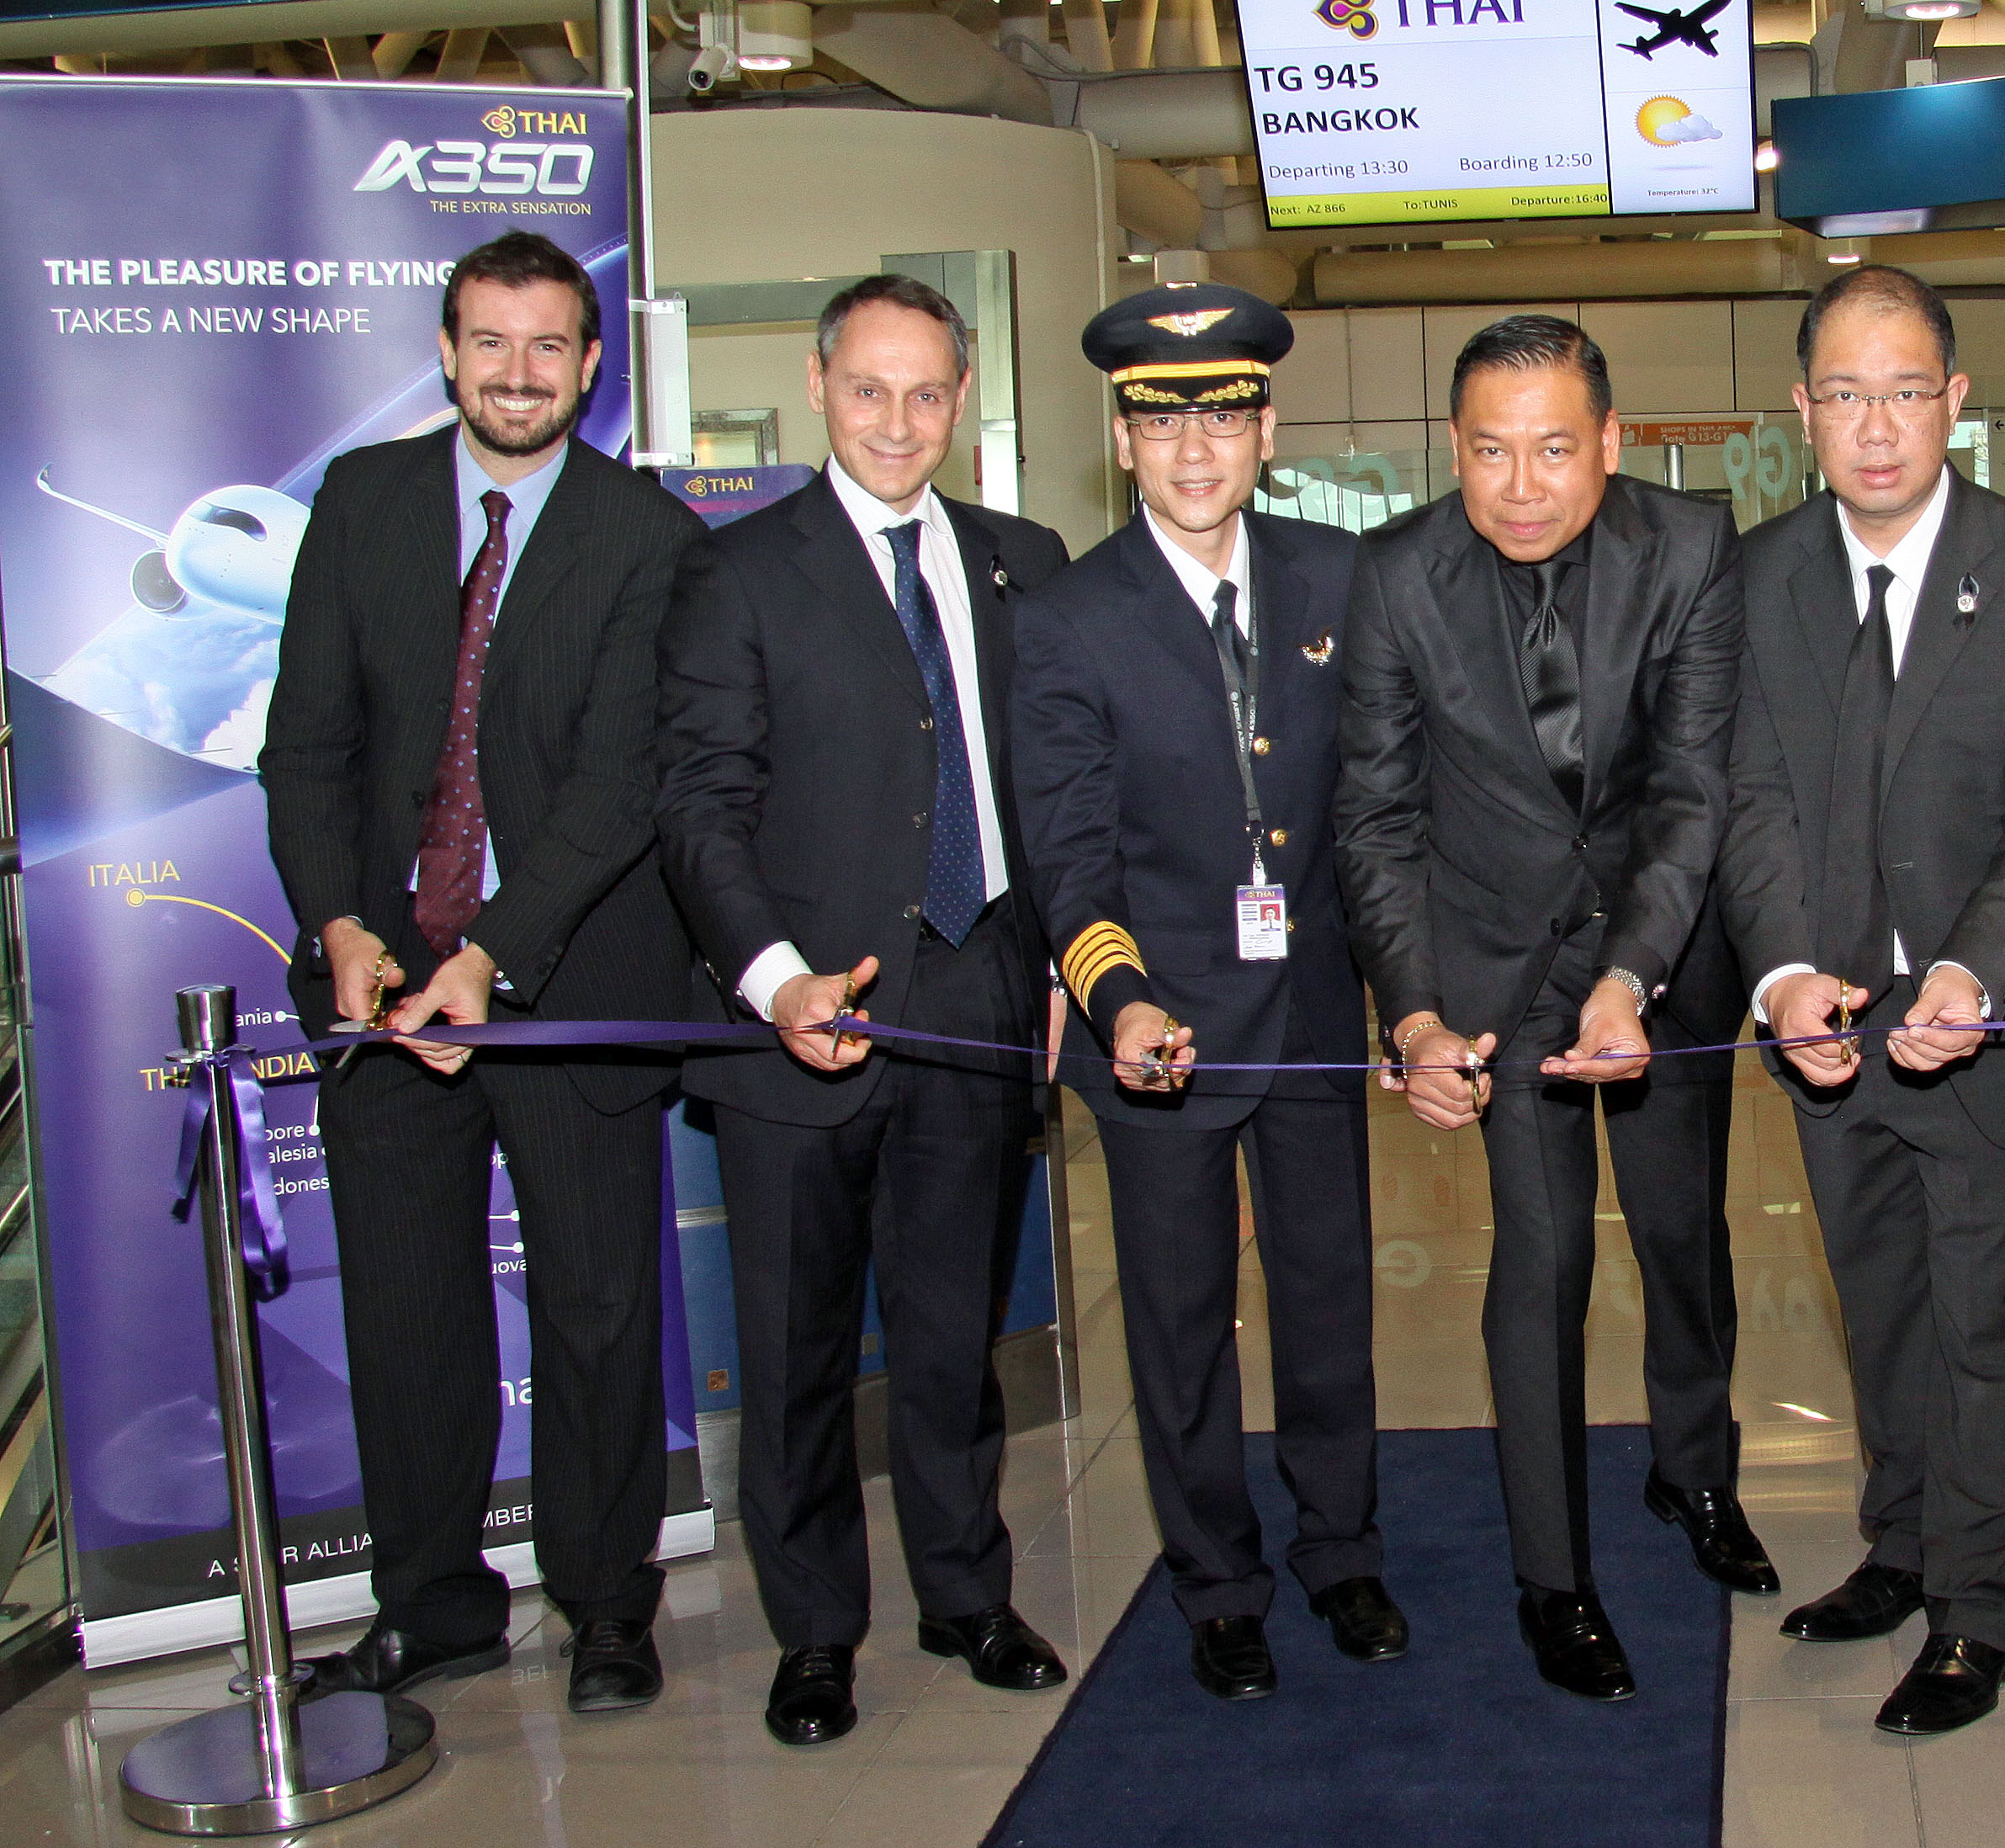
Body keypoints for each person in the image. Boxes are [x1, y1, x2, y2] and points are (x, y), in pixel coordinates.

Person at [260, 230, 704, 1714]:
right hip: (378, 990)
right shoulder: (363, 500)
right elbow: (308, 744)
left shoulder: (649, 537)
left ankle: (607, 1602)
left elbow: (620, 787)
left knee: (595, 1308)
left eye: (549, 345)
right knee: (405, 1312)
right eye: (491, 342)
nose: (519, 373)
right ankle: (434, 1605)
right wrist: (341, 924)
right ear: (447, 352)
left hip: (569, 976)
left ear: (591, 362)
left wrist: (491, 956)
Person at [654, 275, 1074, 1745]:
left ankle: (967, 1593)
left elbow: (1056, 792)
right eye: (869, 389)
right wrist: (775, 980)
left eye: (927, 392)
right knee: (798, 1353)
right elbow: (699, 805)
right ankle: (816, 1632)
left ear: (960, 399)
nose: (898, 420)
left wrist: (1065, 968)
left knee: (954, 1331)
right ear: (819, 388)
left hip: (974, 998)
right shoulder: (735, 573)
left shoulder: (1024, 563)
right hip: (799, 1020)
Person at [1336, 314, 1766, 1702]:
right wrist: (1410, 1015)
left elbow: (1692, 788)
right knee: (1544, 1260)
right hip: (1498, 971)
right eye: (1489, 452)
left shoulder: (1690, 547)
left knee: (1681, 1233)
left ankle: (1694, 1470)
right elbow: (1375, 817)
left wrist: (1633, 975)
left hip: (1658, 951)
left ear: (1611, 443)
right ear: (1452, 448)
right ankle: (1552, 1576)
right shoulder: (1396, 575)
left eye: (1553, 450)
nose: (1520, 487)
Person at [1718, 266, 2005, 1738]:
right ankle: (1901, 1546)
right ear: (1802, 409)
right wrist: (1780, 975)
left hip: (1986, 1027)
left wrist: (1971, 970)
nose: (1874, 426)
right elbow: (1749, 801)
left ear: (1954, 399)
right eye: (1844, 393)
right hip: (1830, 1032)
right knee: (1880, 1304)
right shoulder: (1754, 582)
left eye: (1903, 391)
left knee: (1989, 1325)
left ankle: (1980, 1609)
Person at [1010, 285, 1400, 1705]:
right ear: (1121, 439)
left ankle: (1342, 1549)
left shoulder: (1338, 579)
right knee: (1177, 1322)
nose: (1193, 449)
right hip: (1158, 1020)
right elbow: (1068, 848)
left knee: (1328, 1293)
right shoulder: (1067, 619)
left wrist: (1408, 996)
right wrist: (1115, 998)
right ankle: (1218, 1583)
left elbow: (1379, 807)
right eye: (1161, 421)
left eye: (1222, 418)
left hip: (1309, 1011)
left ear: (1267, 431)